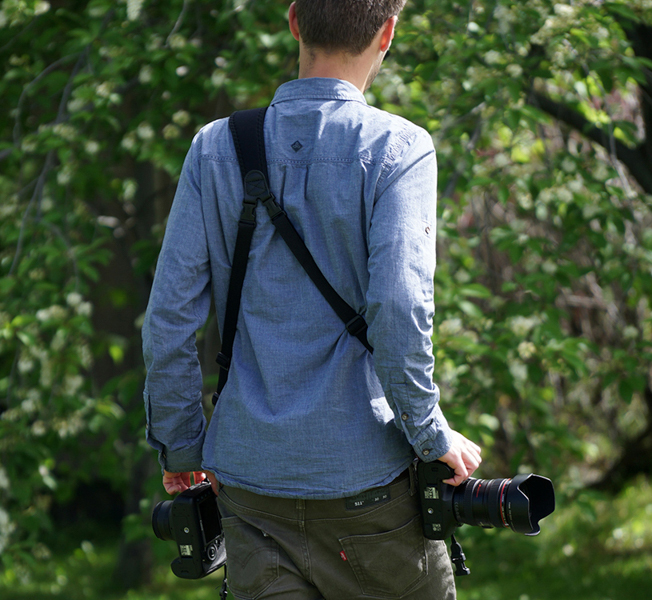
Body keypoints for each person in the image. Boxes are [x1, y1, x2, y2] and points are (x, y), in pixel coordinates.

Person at [142, 1, 481, 598]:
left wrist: (181, 447)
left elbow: (169, 321)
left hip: (249, 493)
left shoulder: (216, 148)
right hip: (371, 492)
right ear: (389, 33)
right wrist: (432, 437)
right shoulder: (400, 150)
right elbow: (400, 308)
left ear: (294, 21)